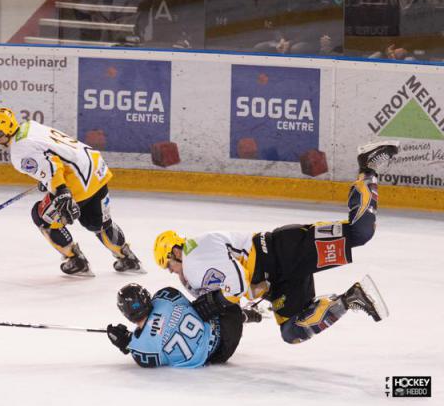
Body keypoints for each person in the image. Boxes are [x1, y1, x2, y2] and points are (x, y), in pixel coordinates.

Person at [152, 141, 399, 344]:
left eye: (168, 266)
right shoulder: (197, 268)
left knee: (360, 232)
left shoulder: (194, 255)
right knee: (292, 332)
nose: (173, 272)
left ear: (175, 251)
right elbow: (232, 289)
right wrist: (243, 310)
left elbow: (236, 285)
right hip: (279, 282)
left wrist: (241, 301)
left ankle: (368, 165)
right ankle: (351, 298)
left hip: (285, 251)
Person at [0, 108, 143, 276]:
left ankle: (76, 260)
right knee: (98, 222)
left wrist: (60, 190)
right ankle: (128, 258)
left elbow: (51, 165)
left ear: (2, 132)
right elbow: (54, 152)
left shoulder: (19, 151)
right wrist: (46, 179)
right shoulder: (29, 126)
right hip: (95, 167)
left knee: (42, 217)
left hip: (78, 180)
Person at [106, 283, 262, 367]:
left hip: (220, 353)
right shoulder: (165, 296)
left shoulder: (142, 349)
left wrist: (127, 343)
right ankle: (243, 314)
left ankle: (243, 316)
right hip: (227, 318)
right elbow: (164, 321)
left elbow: (147, 350)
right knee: (195, 307)